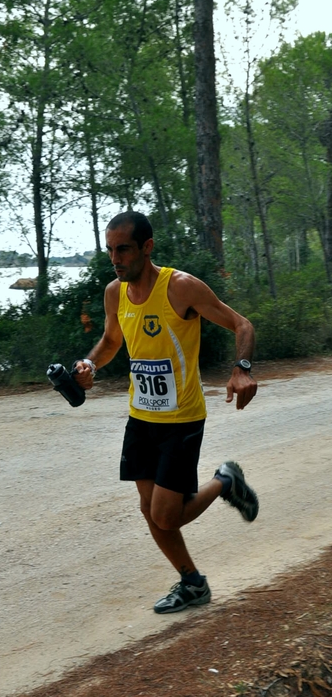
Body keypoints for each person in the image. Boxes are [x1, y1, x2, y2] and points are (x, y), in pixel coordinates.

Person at [74, 211, 259, 614]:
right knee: (150, 511)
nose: (115, 258)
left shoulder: (180, 288)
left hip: (182, 418)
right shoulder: (114, 293)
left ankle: (225, 481)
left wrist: (241, 369)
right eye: (110, 250)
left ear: (147, 247)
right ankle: (192, 582)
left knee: (165, 515)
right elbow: (110, 340)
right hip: (141, 417)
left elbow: (242, 326)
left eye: (123, 249)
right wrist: (90, 366)